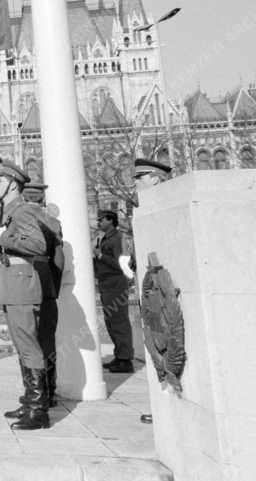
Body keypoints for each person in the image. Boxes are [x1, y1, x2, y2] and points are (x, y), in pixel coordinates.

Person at [0, 160, 50, 430]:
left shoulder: (23, 211)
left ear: (13, 184)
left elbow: (38, 245)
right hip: (12, 283)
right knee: (22, 346)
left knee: (29, 346)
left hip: (22, 284)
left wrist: (4, 239)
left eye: (0, 181)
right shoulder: (10, 212)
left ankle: (39, 410)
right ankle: (30, 399)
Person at [133, 158, 174, 425]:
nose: (135, 184)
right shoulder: (147, 211)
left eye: (140, 178)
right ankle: (163, 404)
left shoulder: (168, 210)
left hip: (165, 296)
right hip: (152, 296)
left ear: (156, 179)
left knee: (168, 348)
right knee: (157, 347)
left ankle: (169, 403)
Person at [22, 182, 63, 408]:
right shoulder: (53, 223)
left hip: (31, 287)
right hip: (46, 288)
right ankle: (46, 390)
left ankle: (39, 393)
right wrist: (52, 287)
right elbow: (59, 260)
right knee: (45, 341)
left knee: (32, 340)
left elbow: (57, 259)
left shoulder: (28, 224)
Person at [94, 209, 135, 374]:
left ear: (110, 220)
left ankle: (125, 360)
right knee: (111, 322)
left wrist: (100, 256)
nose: (99, 223)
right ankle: (120, 357)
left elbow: (121, 264)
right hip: (107, 284)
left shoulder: (117, 238)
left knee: (119, 322)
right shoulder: (106, 238)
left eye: (101, 220)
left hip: (116, 283)